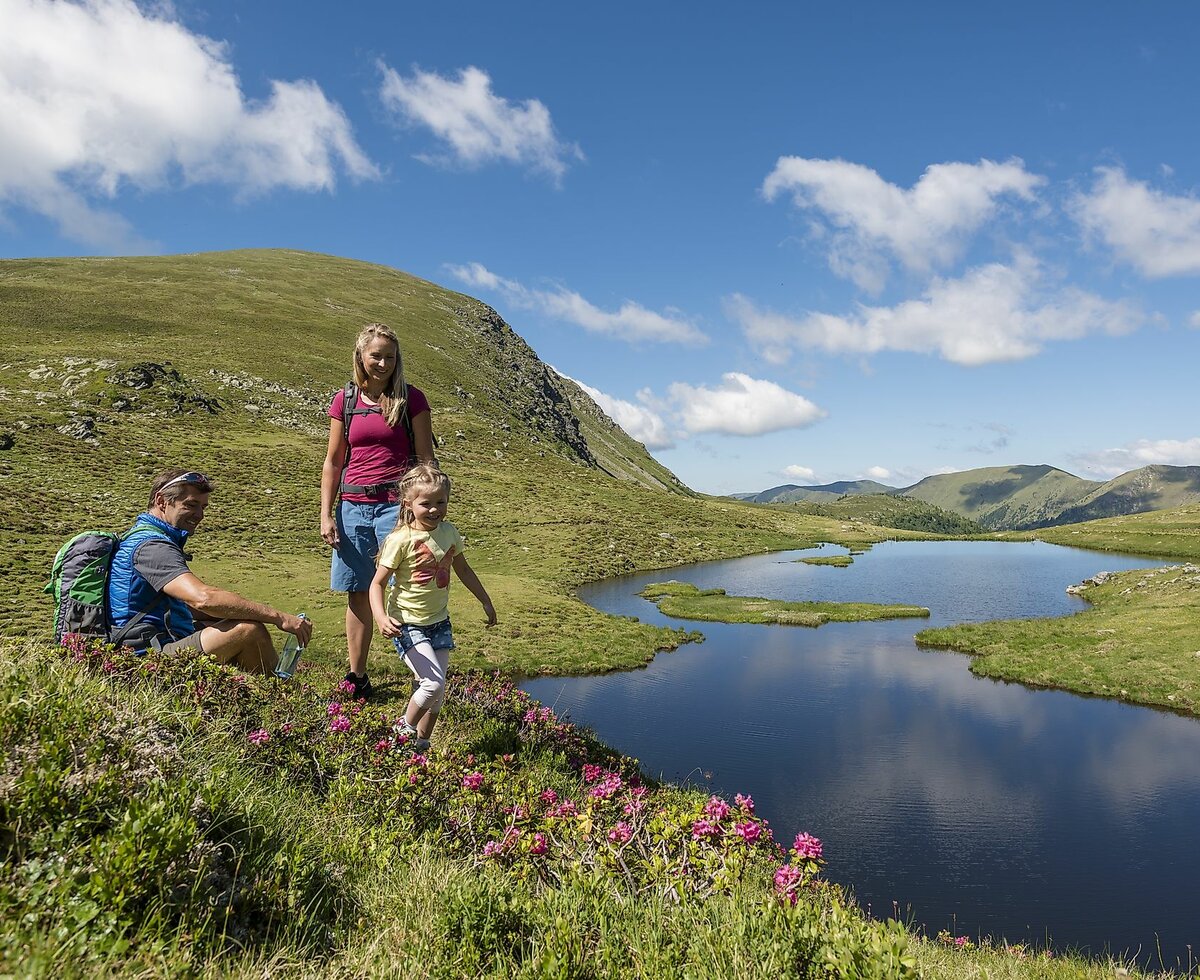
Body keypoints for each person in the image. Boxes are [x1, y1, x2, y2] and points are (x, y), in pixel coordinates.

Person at [320, 323, 435, 698]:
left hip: (396, 510)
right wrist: (325, 513)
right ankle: (358, 677)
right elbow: (334, 461)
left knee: (407, 590)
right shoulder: (345, 401)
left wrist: (424, 511)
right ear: (361, 356)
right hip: (352, 507)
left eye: (390, 356)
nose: (383, 363)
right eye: (376, 355)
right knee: (357, 593)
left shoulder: (412, 400)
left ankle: (424, 676)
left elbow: (425, 461)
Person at [109, 469, 313, 672]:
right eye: (190, 505)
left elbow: (184, 607)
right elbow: (204, 599)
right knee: (248, 631)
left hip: (154, 640)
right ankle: (277, 696)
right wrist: (279, 617)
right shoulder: (152, 547)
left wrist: (251, 613)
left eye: (203, 507)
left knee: (234, 619)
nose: (199, 515)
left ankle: (247, 690)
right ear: (162, 501)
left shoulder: (146, 537)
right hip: (143, 656)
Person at [369, 464, 496, 751]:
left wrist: (486, 601)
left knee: (438, 693)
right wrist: (380, 616)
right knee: (432, 684)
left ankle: (421, 746)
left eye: (441, 502)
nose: (435, 509)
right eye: (426, 503)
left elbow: (463, 569)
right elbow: (376, 584)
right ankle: (399, 735)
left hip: (439, 622)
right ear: (408, 504)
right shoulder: (400, 540)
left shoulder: (449, 532)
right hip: (408, 625)